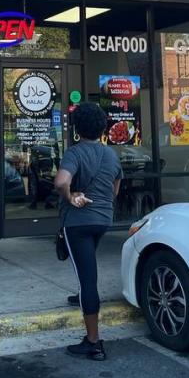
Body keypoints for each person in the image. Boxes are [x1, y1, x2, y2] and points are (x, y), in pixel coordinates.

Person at [54, 103, 122, 361]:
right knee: (86, 264)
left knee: (88, 279)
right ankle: (82, 296)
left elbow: (61, 182)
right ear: (102, 128)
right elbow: (115, 189)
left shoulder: (75, 152)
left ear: (76, 128)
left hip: (78, 222)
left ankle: (93, 342)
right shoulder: (111, 155)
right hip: (103, 219)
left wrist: (71, 197)